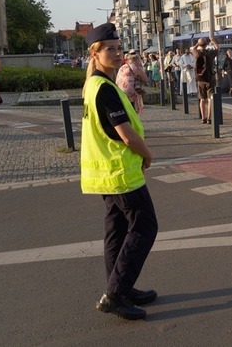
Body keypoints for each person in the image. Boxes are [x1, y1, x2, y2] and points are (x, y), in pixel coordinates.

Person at [80, 23, 157, 321]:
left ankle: (121, 287)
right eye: (109, 49)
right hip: (121, 173)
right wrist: (147, 154)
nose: (116, 52)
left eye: (118, 47)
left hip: (106, 174)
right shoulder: (105, 89)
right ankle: (114, 294)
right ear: (95, 54)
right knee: (144, 228)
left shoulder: (97, 85)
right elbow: (126, 134)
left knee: (117, 232)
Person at [193, 37, 219, 124]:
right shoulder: (210, 53)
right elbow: (218, 49)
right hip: (210, 78)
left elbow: (193, 48)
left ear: (200, 45)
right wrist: (214, 41)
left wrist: (197, 43)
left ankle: (203, 118)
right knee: (210, 99)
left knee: (202, 99)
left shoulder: (196, 53)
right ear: (206, 45)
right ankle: (209, 118)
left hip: (200, 79)